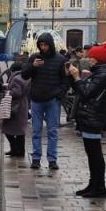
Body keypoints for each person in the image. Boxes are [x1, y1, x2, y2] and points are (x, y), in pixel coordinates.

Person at [68, 44, 106, 199]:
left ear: (96, 60)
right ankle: (93, 184)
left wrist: (76, 78)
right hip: (90, 117)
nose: (88, 59)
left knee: (95, 154)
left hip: (93, 117)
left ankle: (99, 187)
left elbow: (86, 93)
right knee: (92, 153)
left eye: (90, 57)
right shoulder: (98, 73)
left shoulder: (102, 75)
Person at [21, 32, 68, 170]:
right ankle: (36, 158)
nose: (43, 47)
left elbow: (65, 80)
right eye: (41, 45)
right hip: (37, 99)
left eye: (45, 45)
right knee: (36, 131)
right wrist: (33, 66)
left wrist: (59, 94)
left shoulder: (60, 59)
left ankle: (52, 159)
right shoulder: (34, 58)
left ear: (50, 45)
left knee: (52, 131)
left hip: (52, 100)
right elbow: (24, 75)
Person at [0, 60, 31, 158]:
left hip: (15, 106)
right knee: (20, 131)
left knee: (8, 129)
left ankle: (15, 149)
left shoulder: (17, 78)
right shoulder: (26, 77)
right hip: (23, 105)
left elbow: (16, 92)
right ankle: (20, 151)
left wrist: (7, 91)